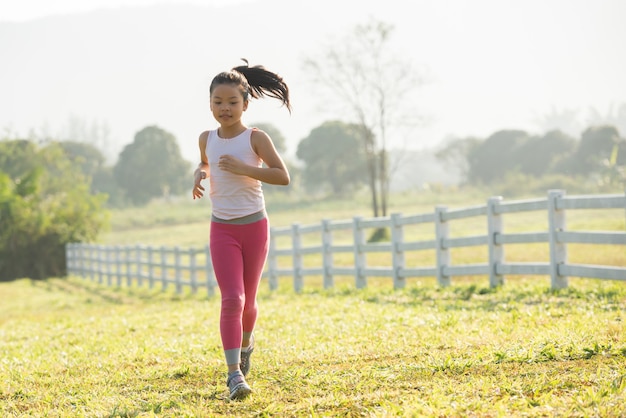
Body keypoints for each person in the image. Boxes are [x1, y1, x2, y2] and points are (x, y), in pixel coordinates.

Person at [192, 59, 291, 400]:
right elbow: (207, 161)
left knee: (249, 303)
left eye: (232, 102)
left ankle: (246, 346)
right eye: (218, 102)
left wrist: (245, 169)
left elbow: (283, 176)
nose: (225, 108)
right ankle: (234, 374)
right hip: (222, 229)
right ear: (210, 104)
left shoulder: (256, 138)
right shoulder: (206, 138)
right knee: (232, 298)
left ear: (245, 104)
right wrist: (199, 173)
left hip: (255, 226)